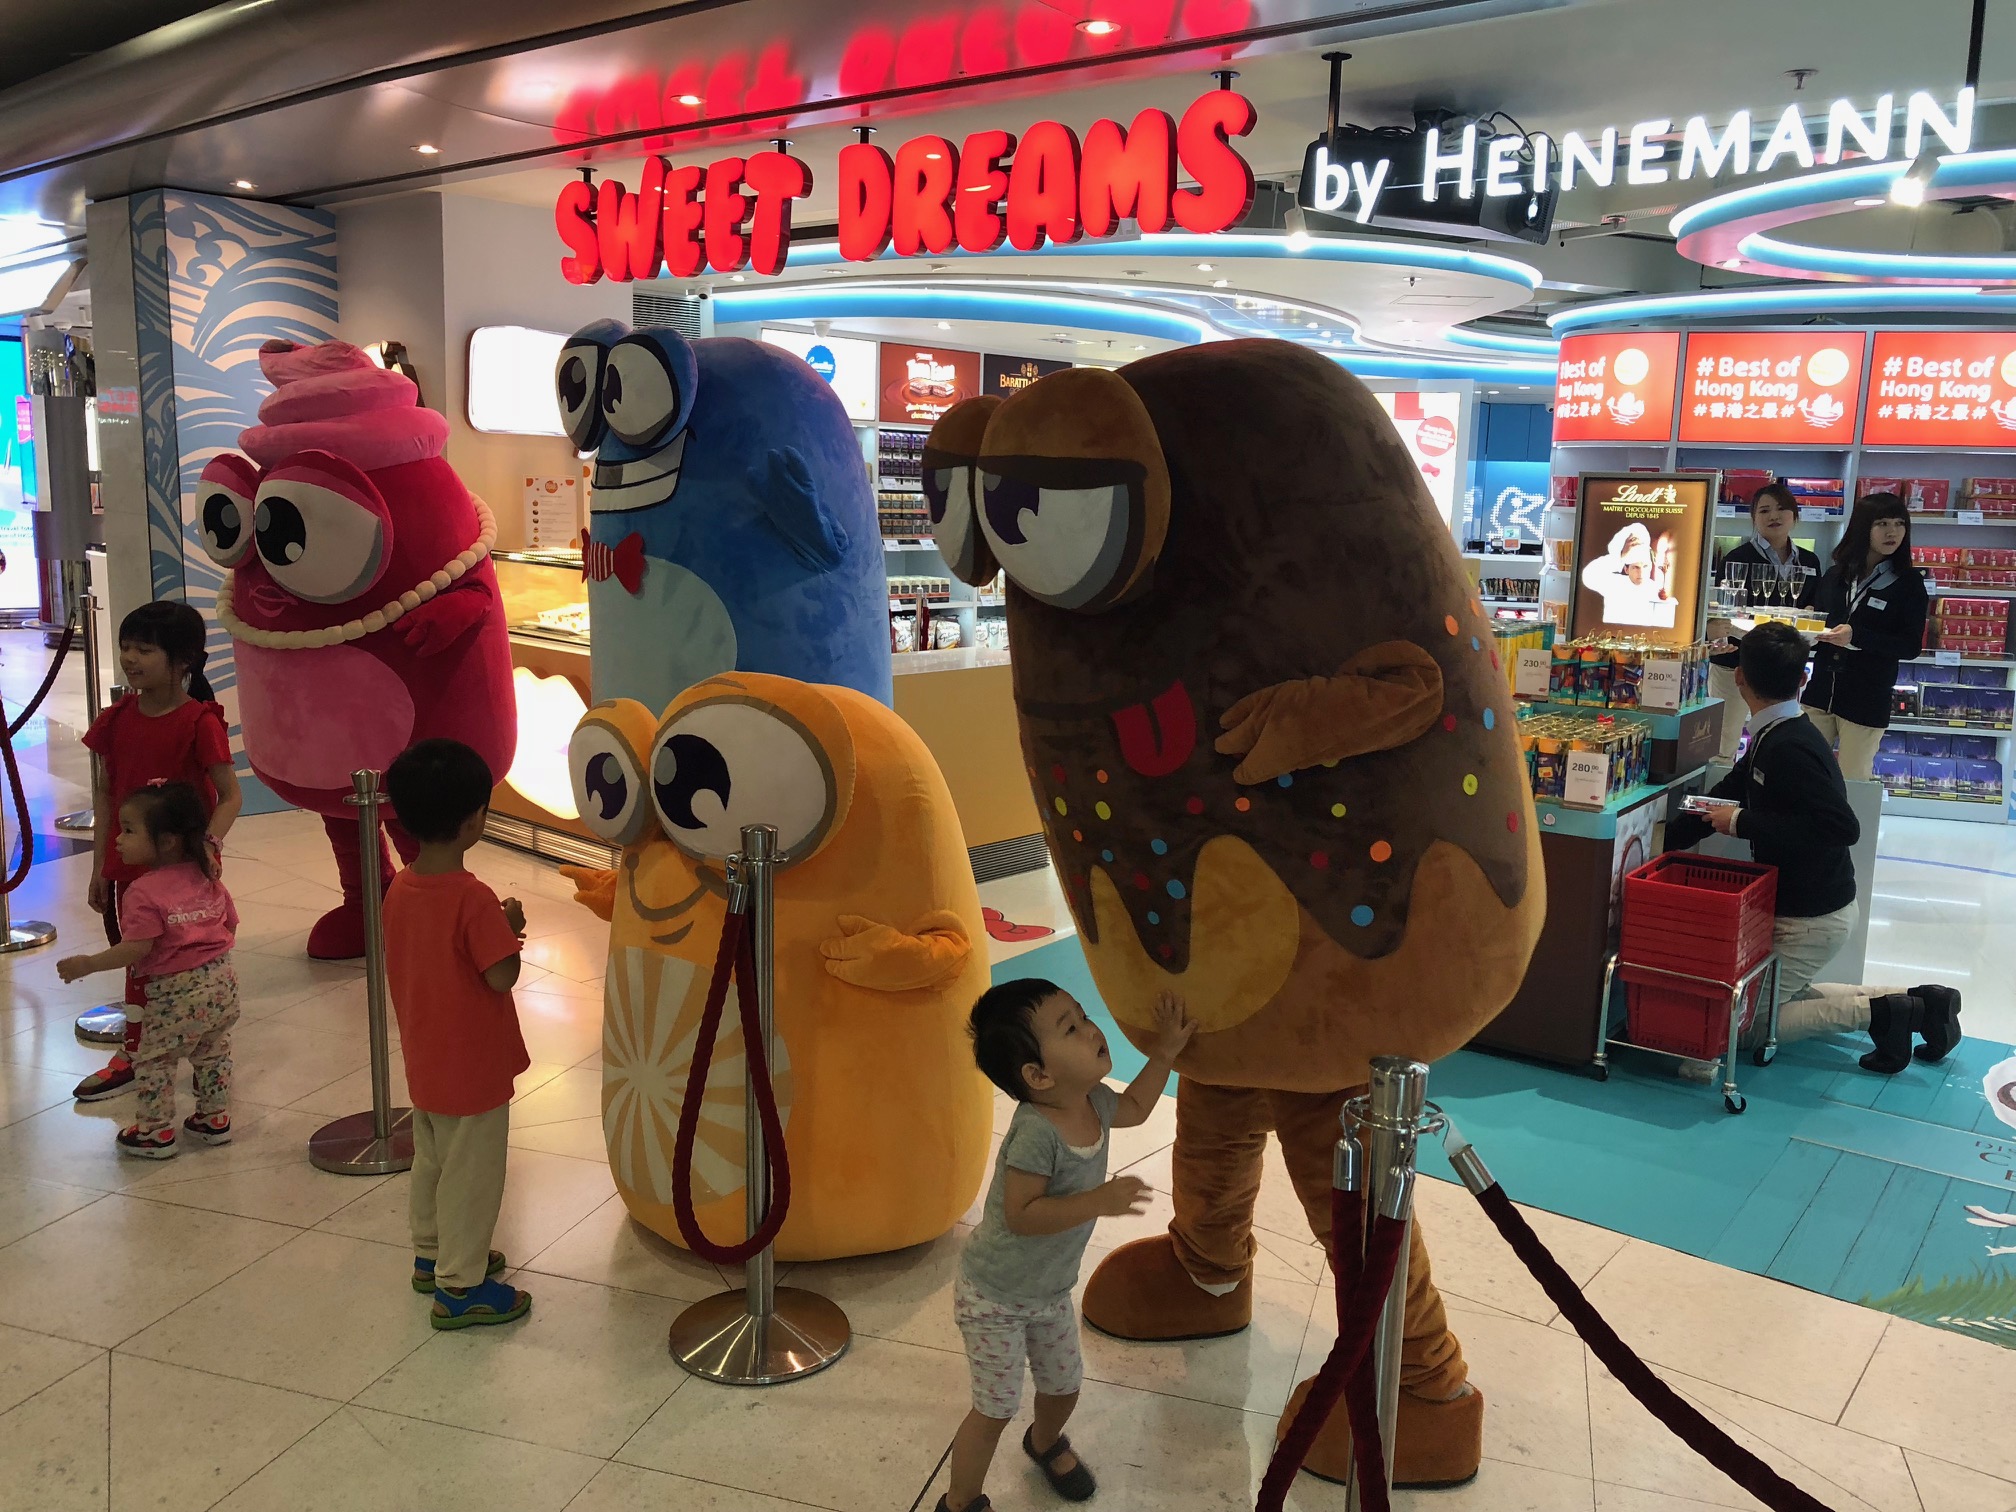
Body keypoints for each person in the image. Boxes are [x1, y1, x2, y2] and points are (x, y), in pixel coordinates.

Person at [943, 980, 1196, 1512]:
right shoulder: (1037, 1132)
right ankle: (961, 1501)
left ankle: (1044, 1442)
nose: (1091, 1030)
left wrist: (1165, 1053)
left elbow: (1135, 1106)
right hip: (994, 1296)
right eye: (1071, 1029)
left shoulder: (1092, 1101)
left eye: (1082, 1016)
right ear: (1038, 1076)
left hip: (1050, 1291)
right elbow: (1022, 1215)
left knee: (1064, 1387)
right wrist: (1097, 1201)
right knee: (994, 1407)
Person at [1666, 623, 1961, 1075]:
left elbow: (1841, 826)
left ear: (1738, 676)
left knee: (1748, 1025)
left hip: (1811, 916)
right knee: (1789, 996)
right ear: (1803, 678)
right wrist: (1666, 837)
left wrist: (1742, 822)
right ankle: (1923, 1003)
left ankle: (1882, 1014)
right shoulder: (1778, 730)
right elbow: (1730, 790)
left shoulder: (1789, 745)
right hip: (1814, 904)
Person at [383, 738, 533, 1330]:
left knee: (433, 1161)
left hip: (427, 1060)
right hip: (473, 1069)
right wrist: (508, 927)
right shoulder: (473, 899)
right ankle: (461, 1284)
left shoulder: (400, 887)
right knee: (472, 1176)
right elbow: (500, 976)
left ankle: (431, 1253)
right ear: (474, 820)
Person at [72, 601, 242, 1104]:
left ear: (181, 660)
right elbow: (106, 793)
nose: (130, 658)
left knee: (190, 960)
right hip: (129, 866)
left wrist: (208, 845)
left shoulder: (199, 721)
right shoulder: (116, 719)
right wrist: (101, 865)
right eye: (126, 647)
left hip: (184, 873)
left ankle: (200, 1048)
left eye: (144, 649)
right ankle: (136, 1050)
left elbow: (230, 794)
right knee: (138, 960)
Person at [56, 783, 239, 1157]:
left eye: (128, 830)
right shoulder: (207, 875)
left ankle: (154, 1132)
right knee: (212, 1053)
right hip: (223, 984)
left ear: (167, 841)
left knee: (155, 1061)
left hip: (175, 994)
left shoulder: (143, 892)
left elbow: (137, 948)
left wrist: (88, 964)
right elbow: (230, 924)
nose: (118, 839)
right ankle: (214, 1119)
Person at [1803, 492, 1927, 781]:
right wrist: (1808, 627)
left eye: (1899, 523)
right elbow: (1820, 621)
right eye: (1882, 523)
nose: (1892, 532)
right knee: (1806, 776)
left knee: (1853, 781)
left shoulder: (1909, 583)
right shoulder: (1835, 575)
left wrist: (1857, 637)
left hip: (1866, 700)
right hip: (1820, 693)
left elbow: (1910, 646)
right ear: (1862, 527)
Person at [1708, 483, 1824, 760]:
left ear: (1795, 516)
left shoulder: (1810, 561)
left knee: (1780, 739)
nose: (1774, 516)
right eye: (1764, 510)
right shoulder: (1737, 558)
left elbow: (1813, 607)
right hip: (1736, 662)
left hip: (1783, 664)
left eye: (1782, 508)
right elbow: (1725, 610)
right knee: (1724, 741)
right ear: (1754, 518)